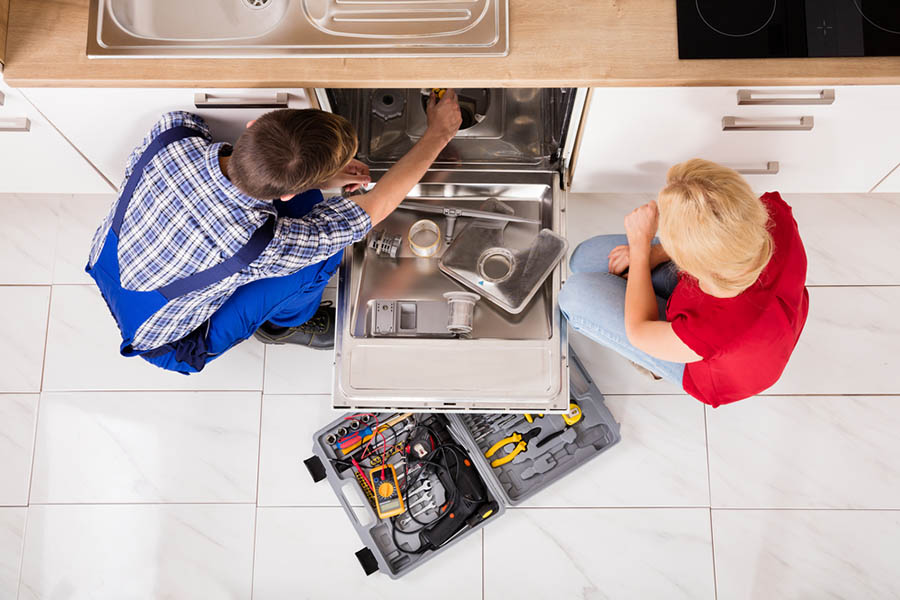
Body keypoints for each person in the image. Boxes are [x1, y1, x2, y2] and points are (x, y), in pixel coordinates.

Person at [86, 90, 463, 374]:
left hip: (109, 261)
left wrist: (323, 174)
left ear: (254, 125)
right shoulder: (259, 246)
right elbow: (377, 206)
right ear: (287, 192)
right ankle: (284, 327)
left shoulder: (174, 135)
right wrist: (439, 134)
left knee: (311, 220)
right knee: (318, 259)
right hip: (170, 339)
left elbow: (253, 164)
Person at [558, 159, 809, 407]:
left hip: (713, 367)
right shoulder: (768, 218)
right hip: (733, 305)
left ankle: (658, 364)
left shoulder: (715, 329)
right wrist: (653, 253)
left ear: (693, 262)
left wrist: (640, 246)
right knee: (584, 258)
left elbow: (639, 331)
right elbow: (718, 232)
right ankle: (666, 317)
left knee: (574, 296)